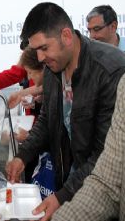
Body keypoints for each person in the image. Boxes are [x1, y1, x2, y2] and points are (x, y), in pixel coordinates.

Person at [5, 2, 125, 221]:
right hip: (69, 179)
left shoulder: (110, 70)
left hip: (100, 191)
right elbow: (47, 119)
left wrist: (63, 195)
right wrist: (23, 156)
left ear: (66, 36)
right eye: (36, 51)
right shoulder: (54, 67)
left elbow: (106, 154)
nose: (40, 58)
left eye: (44, 48)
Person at [52, 73, 125, 221]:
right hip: (78, 172)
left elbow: (99, 150)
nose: (40, 57)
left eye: (44, 48)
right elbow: (107, 183)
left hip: (84, 169)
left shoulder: (104, 71)